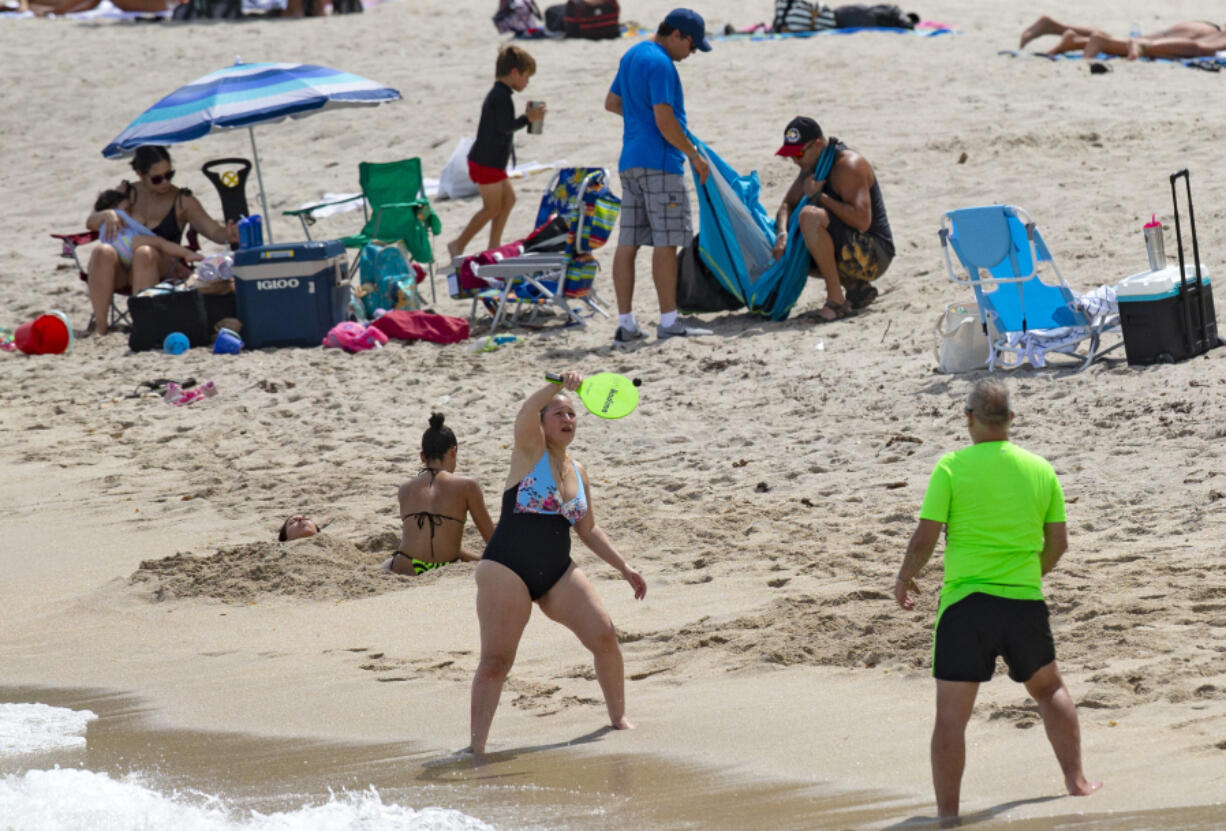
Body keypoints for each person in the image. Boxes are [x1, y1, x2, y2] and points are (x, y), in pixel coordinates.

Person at [893, 379, 1101, 825]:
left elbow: (925, 538)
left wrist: (905, 578)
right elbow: (1059, 544)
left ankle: (948, 815)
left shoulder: (950, 468)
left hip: (965, 605)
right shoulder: (1040, 469)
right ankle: (1077, 782)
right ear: (1010, 420)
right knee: (1050, 690)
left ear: (968, 418)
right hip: (1023, 604)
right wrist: (1029, 574)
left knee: (951, 718)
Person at [469, 371, 647, 754]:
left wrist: (624, 567)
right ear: (542, 423)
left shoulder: (578, 470)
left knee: (604, 636)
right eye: (558, 414)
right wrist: (558, 384)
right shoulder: (529, 451)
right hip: (506, 568)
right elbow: (525, 409)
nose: (567, 420)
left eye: (572, 414)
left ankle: (618, 719)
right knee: (497, 662)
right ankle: (476, 748)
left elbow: (589, 529)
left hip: (556, 570)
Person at [605, 8, 714, 342]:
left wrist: (640, 117)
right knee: (666, 243)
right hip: (660, 163)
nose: (691, 54)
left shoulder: (632, 54)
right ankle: (668, 322)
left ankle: (626, 323)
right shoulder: (661, 63)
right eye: (692, 46)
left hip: (630, 161)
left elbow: (612, 102)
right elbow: (666, 122)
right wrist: (693, 155)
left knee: (628, 242)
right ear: (677, 35)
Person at [85, 146, 238, 336]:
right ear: (140, 174)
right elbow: (90, 223)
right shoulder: (126, 194)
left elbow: (213, 231)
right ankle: (101, 328)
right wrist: (108, 214)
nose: (165, 182)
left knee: (145, 252)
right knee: (102, 251)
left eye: (169, 174)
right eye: (157, 179)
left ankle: (143, 324)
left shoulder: (182, 200)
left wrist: (228, 235)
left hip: (162, 265)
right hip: (123, 270)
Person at [772, 116, 894, 322]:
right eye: (790, 156)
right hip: (850, 249)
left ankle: (836, 302)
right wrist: (782, 235)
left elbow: (862, 221)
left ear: (818, 144)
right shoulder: (812, 166)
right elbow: (786, 205)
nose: (795, 160)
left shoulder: (848, 166)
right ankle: (856, 288)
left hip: (875, 256)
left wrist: (820, 197)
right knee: (792, 240)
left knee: (809, 217)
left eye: (798, 153)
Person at [447, 45, 546, 260]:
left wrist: (525, 119)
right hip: (485, 162)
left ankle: (494, 245)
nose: (527, 82)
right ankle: (458, 244)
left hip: (493, 162)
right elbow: (504, 126)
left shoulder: (502, 94)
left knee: (508, 200)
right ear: (514, 73)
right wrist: (527, 119)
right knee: (491, 208)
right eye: (526, 77)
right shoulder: (500, 96)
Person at [389, 413, 495, 576]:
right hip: (441, 567)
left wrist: (475, 559)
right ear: (453, 452)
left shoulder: (405, 488)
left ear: (422, 456)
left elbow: (429, 539)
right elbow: (492, 541)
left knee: (389, 561)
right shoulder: (467, 485)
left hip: (404, 565)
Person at [92, 188, 203, 271]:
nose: (129, 212)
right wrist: (152, 237)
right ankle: (188, 253)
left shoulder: (101, 221)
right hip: (125, 243)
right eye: (127, 208)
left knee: (160, 247)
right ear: (112, 207)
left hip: (116, 253)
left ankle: (183, 268)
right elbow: (138, 227)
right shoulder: (118, 214)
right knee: (160, 243)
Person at [1020, 15, 1226, 59]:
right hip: (1210, 32)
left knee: (1123, 41)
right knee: (1200, 49)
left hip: (1202, 24)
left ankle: (1063, 32)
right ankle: (1140, 46)